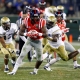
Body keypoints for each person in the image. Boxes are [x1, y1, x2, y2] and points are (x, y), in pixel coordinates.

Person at [7, 8, 47, 75]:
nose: (36, 18)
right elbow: (20, 32)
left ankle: (35, 71)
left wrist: (38, 33)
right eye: (34, 17)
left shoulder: (41, 21)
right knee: (21, 55)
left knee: (40, 59)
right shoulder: (26, 20)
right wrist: (27, 34)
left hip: (38, 41)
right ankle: (14, 71)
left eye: (37, 16)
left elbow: (46, 34)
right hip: (30, 40)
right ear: (30, 16)